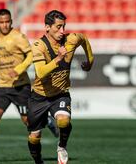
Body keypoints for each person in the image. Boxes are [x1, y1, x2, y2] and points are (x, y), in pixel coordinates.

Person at [0, 9, 59, 162]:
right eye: (1, 22)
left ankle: (46, 120)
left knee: (27, 121)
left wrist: (19, 69)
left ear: (11, 21)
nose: (5, 24)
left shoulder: (18, 37)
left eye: (7, 21)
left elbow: (31, 56)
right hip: (2, 86)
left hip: (20, 87)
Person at [27, 10, 94, 164]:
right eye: (58, 27)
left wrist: (90, 62)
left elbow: (83, 39)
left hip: (60, 94)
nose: (62, 31)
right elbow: (40, 71)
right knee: (34, 137)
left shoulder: (71, 39)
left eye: (63, 26)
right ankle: (38, 161)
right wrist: (59, 58)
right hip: (39, 97)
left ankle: (62, 146)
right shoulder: (38, 46)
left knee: (63, 121)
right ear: (47, 27)